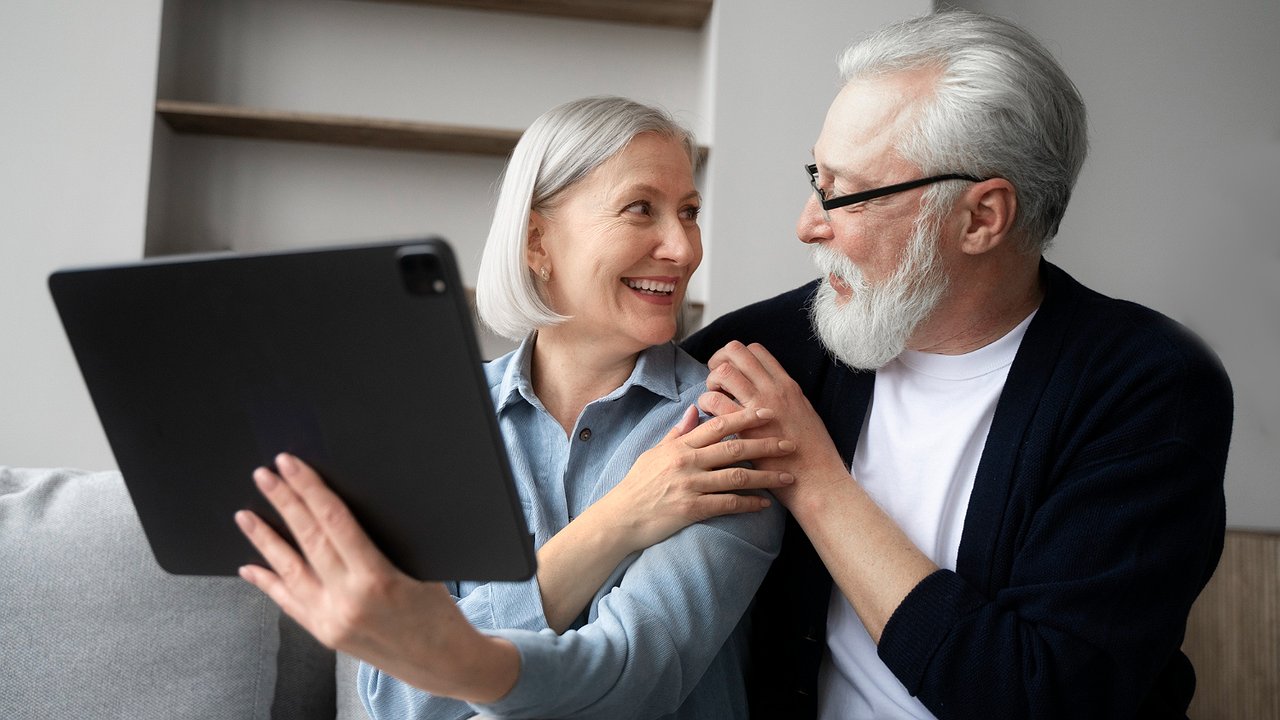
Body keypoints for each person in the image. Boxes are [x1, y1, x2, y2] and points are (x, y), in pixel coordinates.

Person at [682, 10, 1233, 719]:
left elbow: (1039, 696)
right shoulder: (764, 353)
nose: (808, 223)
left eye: (843, 192)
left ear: (981, 217)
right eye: (817, 175)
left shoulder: (1151, 389)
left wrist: (812, 476)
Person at [234, 96, 794, 718]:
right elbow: (393, 699)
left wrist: (445, 651)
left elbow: (635, 679)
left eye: (689, 213)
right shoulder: (438, 422)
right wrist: (619, 520)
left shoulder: (728, 429)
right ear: (537, 241)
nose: (683, 248)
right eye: (641, 208)